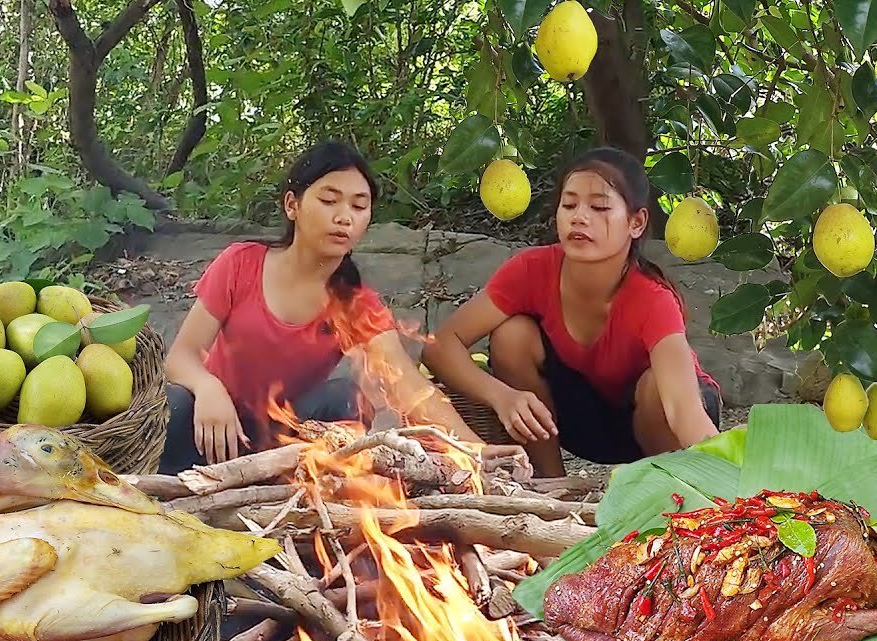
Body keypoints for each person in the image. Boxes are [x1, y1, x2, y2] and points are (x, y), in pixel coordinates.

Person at [158, 140, 525, 474]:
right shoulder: (241, 264)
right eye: (329, 200)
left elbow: (410, 387)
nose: (344, 216)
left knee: (346, 400)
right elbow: (181, 357)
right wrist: (208, 387)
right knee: (175, 402)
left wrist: (473, 450)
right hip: (213, 429)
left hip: (286, 444)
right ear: (292, 205)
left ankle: (304, 506)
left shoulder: (354, 303)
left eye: (358, 205)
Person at [420, 146, 721, 477]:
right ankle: (550, 488)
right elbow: (440, 345)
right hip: (577, 420)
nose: (580, 217)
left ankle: (672, 493)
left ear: (636, 223)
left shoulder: (653, 299)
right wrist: (502, 396)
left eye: (599, 207)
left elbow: (684, 412)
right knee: (512, 334)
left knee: (654, 389)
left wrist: (726, 478)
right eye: (569, 204)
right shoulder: (530, 270)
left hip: (659, 427)